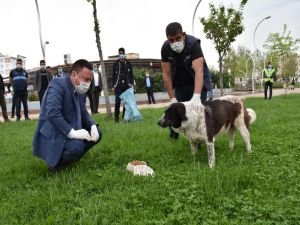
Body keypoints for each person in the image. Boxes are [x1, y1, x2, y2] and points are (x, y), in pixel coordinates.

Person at [32, 59, 102, 171]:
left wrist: (92, 125)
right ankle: (56, 166)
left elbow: (83, 112)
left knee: (98, 133)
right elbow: (52, 113)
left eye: (90, 80)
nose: (88, 84)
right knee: (77, 147)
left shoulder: (79, 90)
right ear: (74, 75)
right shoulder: (57, 84)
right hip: (55, 132)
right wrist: (73, 133)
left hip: (69, 129)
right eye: (86, 79)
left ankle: (72, 159)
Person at [161, 22, 211, 139]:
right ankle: (174, 134)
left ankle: (199, 138)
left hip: (197, 81)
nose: (175, 43)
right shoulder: (165, 48)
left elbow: (199, 71)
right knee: (177, 110)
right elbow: (166, 74)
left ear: (183, 34)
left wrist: (197, 96)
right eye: (171, 40)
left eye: (178, 38)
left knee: (197, 112)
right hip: (180, 82)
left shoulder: (193, 44)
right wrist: (172, 98)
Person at [112, 47, 134, 122]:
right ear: (118, 54)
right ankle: (116, 118)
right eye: (120, 53)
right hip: (118, 86)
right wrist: (113, 85)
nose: (121, 55)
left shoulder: (128, 63)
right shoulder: (115, 64)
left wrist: (131, 83)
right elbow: (113, 76)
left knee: (126, 103)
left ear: (124, 54)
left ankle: (125, 117)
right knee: (117, 101)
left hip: (126, 86)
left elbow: (131, 75)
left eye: (122, 53)